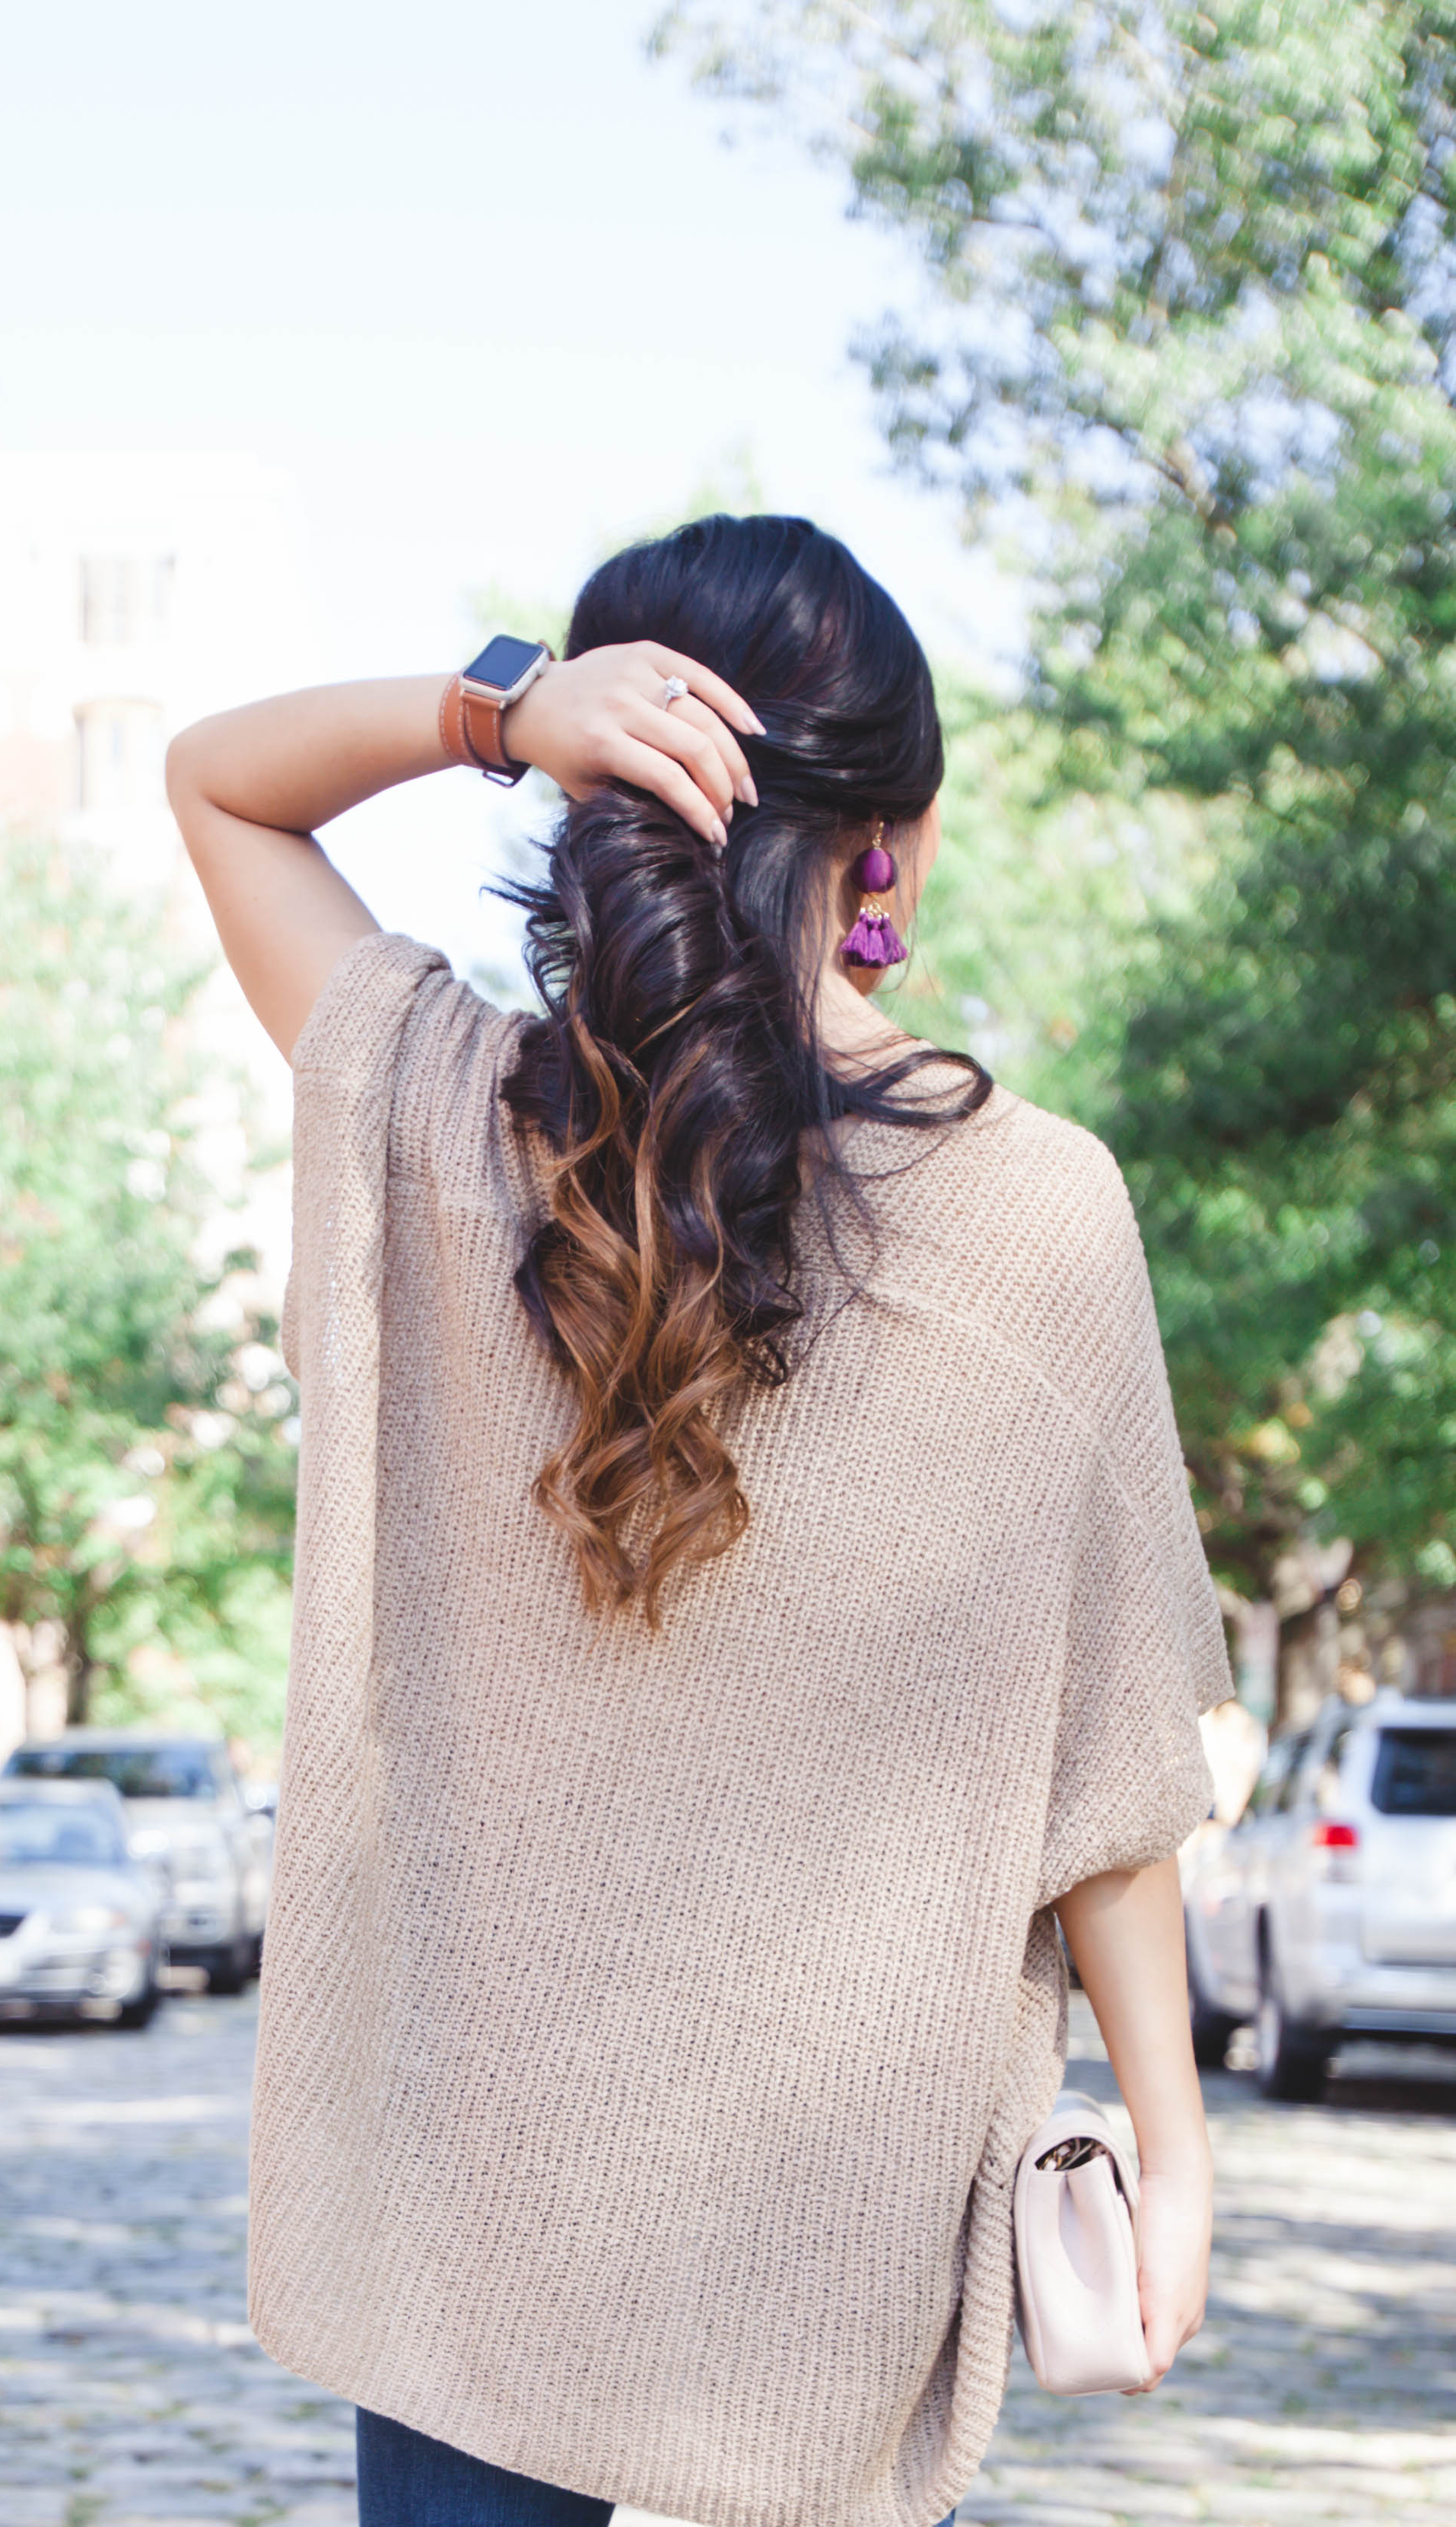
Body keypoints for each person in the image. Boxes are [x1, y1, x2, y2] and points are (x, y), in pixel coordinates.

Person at [167, 514, 1232, 2527]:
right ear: (891, 841)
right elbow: (1117, 1773)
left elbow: (214, 784)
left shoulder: (440, 1112)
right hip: (830, 2258)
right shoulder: (1039, 1211)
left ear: (605, 796)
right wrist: (1172, 2157)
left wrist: (498, 711)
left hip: (476, 2225)